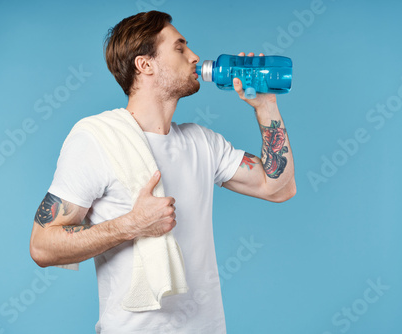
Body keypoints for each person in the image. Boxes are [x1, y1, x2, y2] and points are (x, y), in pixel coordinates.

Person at [29, 10, 296, 334]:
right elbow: (42, 246)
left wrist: (266, 106)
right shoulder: (97, 138)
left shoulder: (202, 142)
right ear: (145, 64)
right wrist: (131, 224)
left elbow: (278, 188)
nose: (195, 56)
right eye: (180, 48)